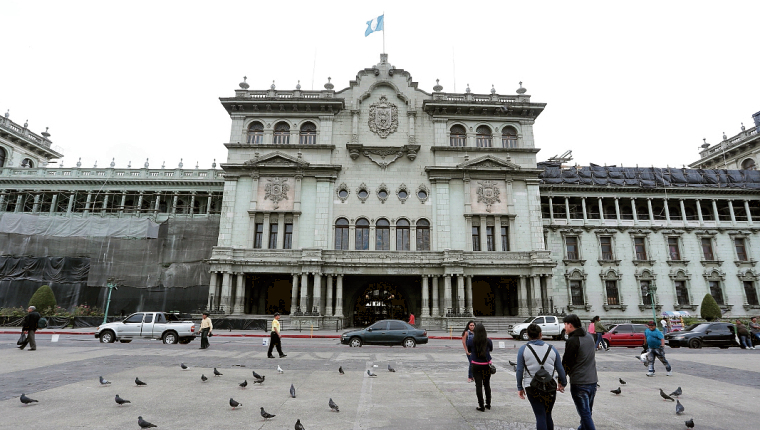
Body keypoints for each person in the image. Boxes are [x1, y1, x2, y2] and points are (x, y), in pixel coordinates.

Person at [516, 323, 567, 430]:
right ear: (541, 334)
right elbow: (560, 369)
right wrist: (563, 383)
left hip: (531, 385)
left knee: (540, 415)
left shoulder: (523, 349)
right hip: (550, 385)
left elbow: (520, 370)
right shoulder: (552, 349)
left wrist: (520, 387)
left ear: (528, 335)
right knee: (548, 414)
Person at [562, 314, 598, 430]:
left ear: (570, 325)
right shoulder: (589, 337)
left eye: (565, 325)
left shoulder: (573, 340)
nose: (564, 328)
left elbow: (567, 362)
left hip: (579, 382)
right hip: (592, 381)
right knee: (587, 412)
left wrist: (561, 380)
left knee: (585, 414)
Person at [466, 323, 493, 412]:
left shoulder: (471, 341)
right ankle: (488, 404)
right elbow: (491, 349)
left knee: (478, 385)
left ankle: (481, 405)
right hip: (486, 364)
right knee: (487, 384)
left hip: (476, 364)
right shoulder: (488, 341)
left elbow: (469, 350)